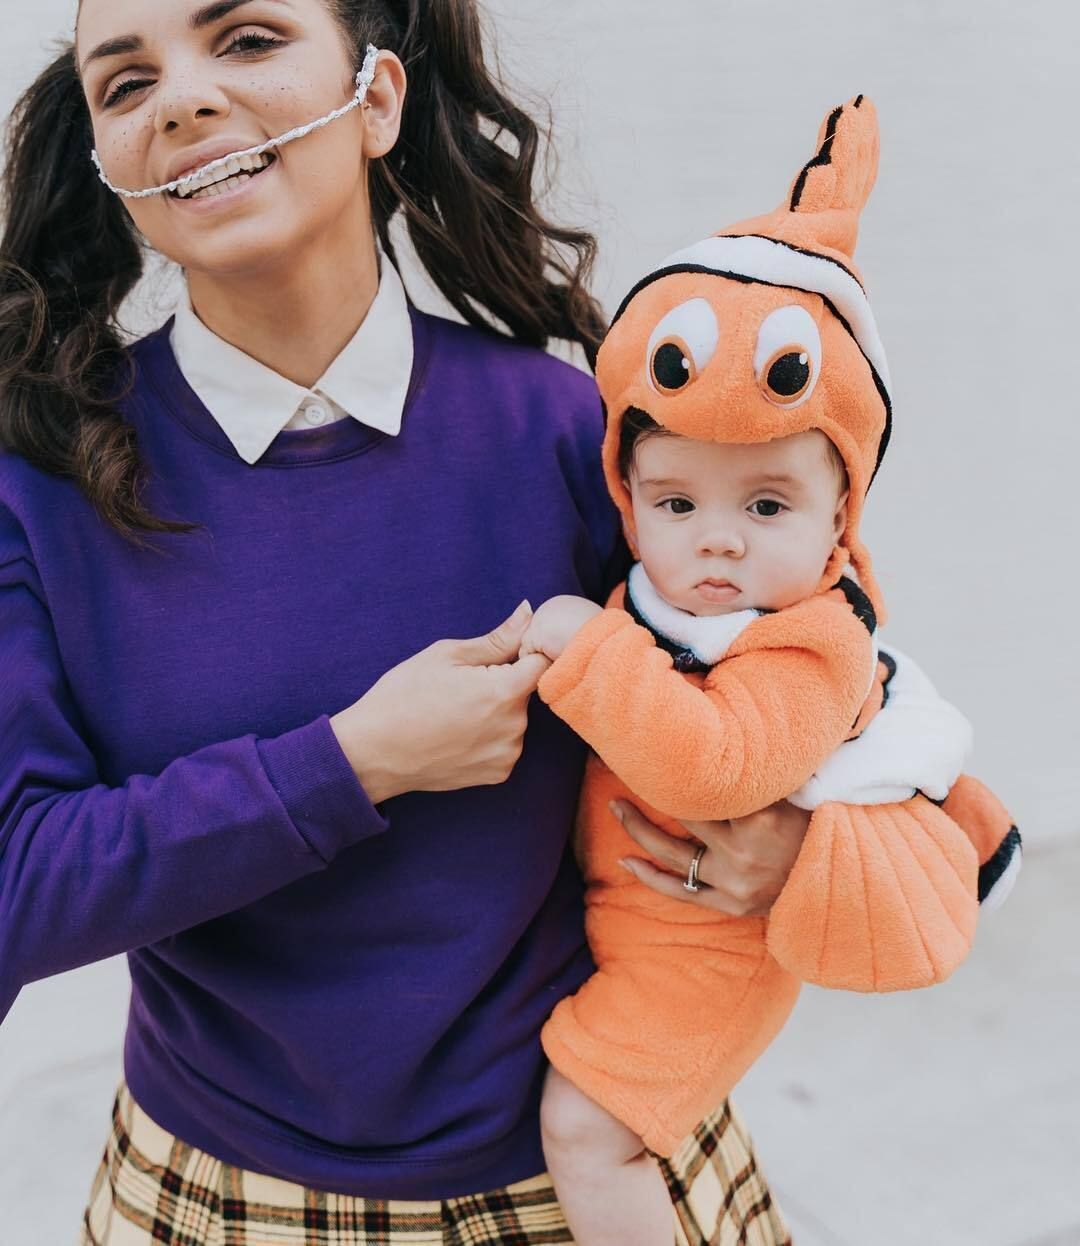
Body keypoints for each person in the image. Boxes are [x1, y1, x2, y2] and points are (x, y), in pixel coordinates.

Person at [0, 3, 1017, 1243]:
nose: (182, 98)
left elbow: (836, 698)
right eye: (125, 83)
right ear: (110, 167)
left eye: (249, 39)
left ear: (376, 100)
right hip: (219, 1196)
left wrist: (797, 859)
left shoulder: (565, 425)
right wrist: (355, 762)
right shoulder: (40, 484)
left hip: (592, 1166)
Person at [519, 97, 1021, 1246]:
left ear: (842, 510)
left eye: (766, 504)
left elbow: (716, 762)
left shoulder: (813, 642)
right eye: (677, 502)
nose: (719, 540)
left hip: (707, 948)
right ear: (627, 493)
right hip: (631, 913)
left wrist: (582, 646)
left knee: (587, 1129)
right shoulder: (667, 595)